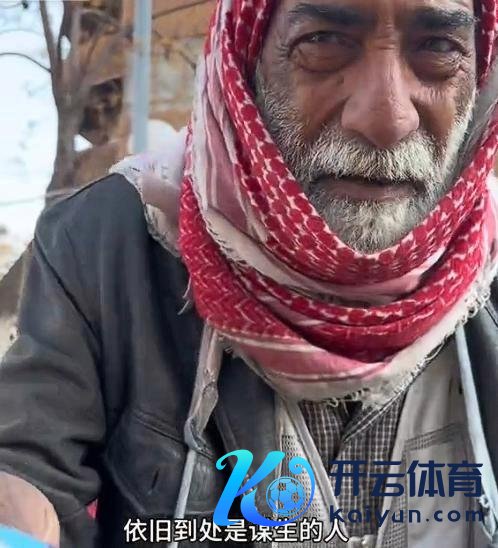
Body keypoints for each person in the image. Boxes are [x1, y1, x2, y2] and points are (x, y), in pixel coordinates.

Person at [1, 0, 498, 546]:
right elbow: (27, 470)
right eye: (323, 41)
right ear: (245, 60)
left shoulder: (490, 265)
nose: (386, 118)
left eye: (439, 48)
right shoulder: (108, 239)